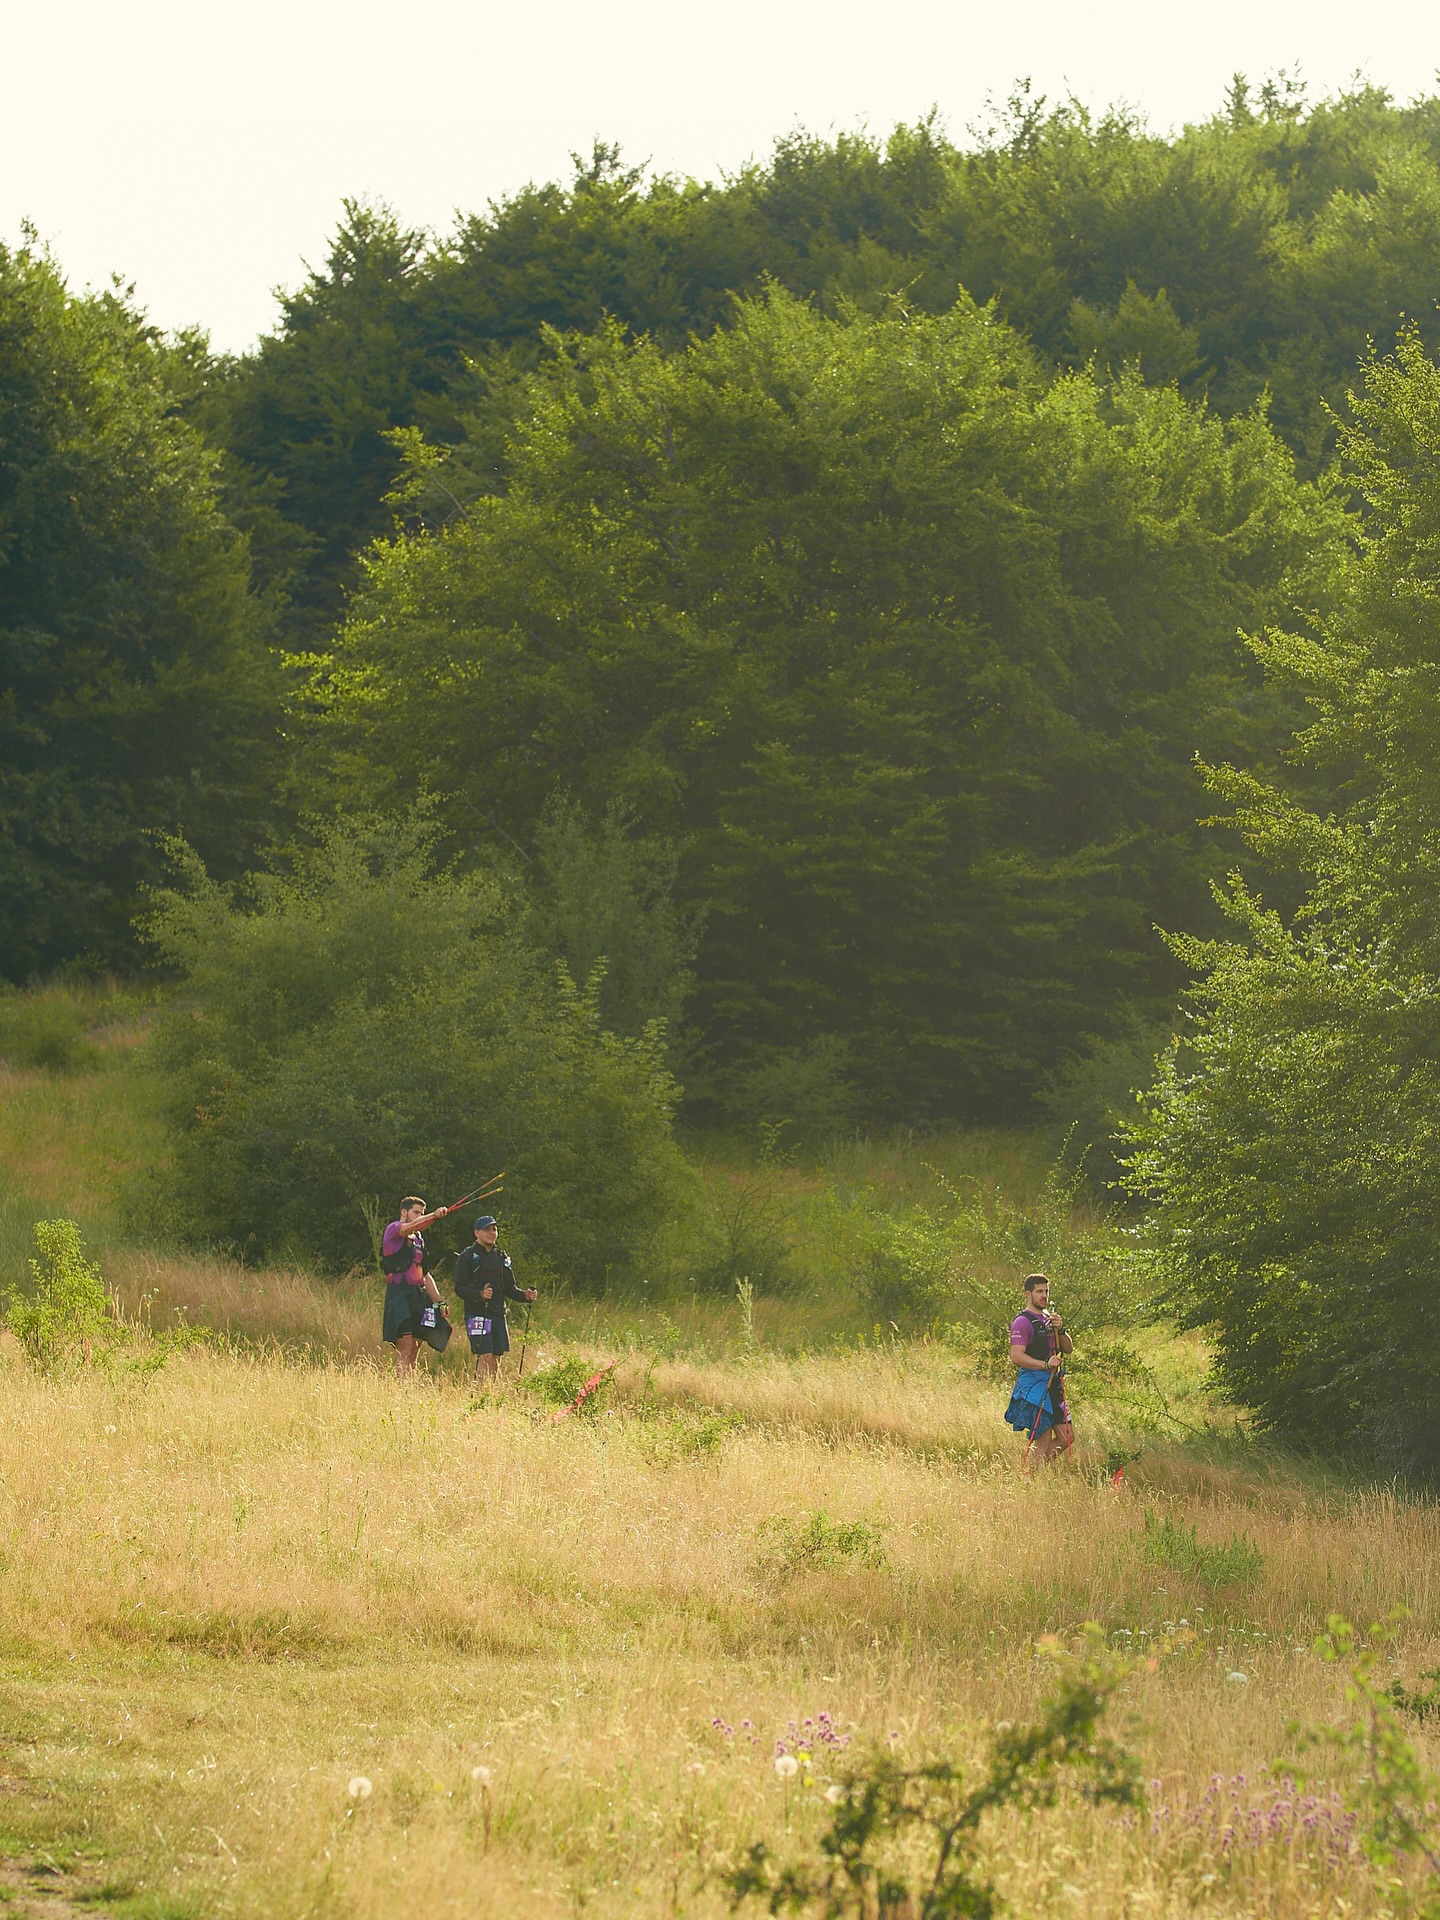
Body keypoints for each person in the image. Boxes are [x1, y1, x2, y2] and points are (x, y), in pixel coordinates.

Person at [453, 1215, 537, 1387]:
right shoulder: (467, 1256)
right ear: (476, 1233)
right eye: (487, 1229)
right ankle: (479, 1395)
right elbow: (459, 1288)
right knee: (484, 1355)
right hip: (477, 1314)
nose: (492, 1233)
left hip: (498, 1313)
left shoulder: (501, 1256)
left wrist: (525, 1296)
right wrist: (479, 1294)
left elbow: (510, 1287)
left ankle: (491, 1396)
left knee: (496, 1357)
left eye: (494, 1229)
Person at [381, 1194, 455, 1379]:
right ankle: (400, 1388)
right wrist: (433, 1215)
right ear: (404, 1212)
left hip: (418, 1296)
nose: (419, 1216)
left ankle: (409, 1389)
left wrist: (440, 1301)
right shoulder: (394, 1229)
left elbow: (425, 1274)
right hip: (399, 1295)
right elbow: (411, 1227)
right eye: (416, 1212)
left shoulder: (419, 1239)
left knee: (415, 1347)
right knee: (404, 1346)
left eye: (421, 1213)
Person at [1004, 1272, 1074, 1467]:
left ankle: (1031, 1472)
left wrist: (1061, 1329)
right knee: (1042, 1439)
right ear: (1029, 1294)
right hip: (1034, 1386)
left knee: (1067, 1436)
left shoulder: (1049, 1318)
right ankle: (1030, 1480)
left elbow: (1068, 1348)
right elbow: (1016, 1356)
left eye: (1046, 1291)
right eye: (1039, 1291)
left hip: (1054, 1384)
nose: (1044, 1296)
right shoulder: (1022, 1321)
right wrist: (1044, 1364)